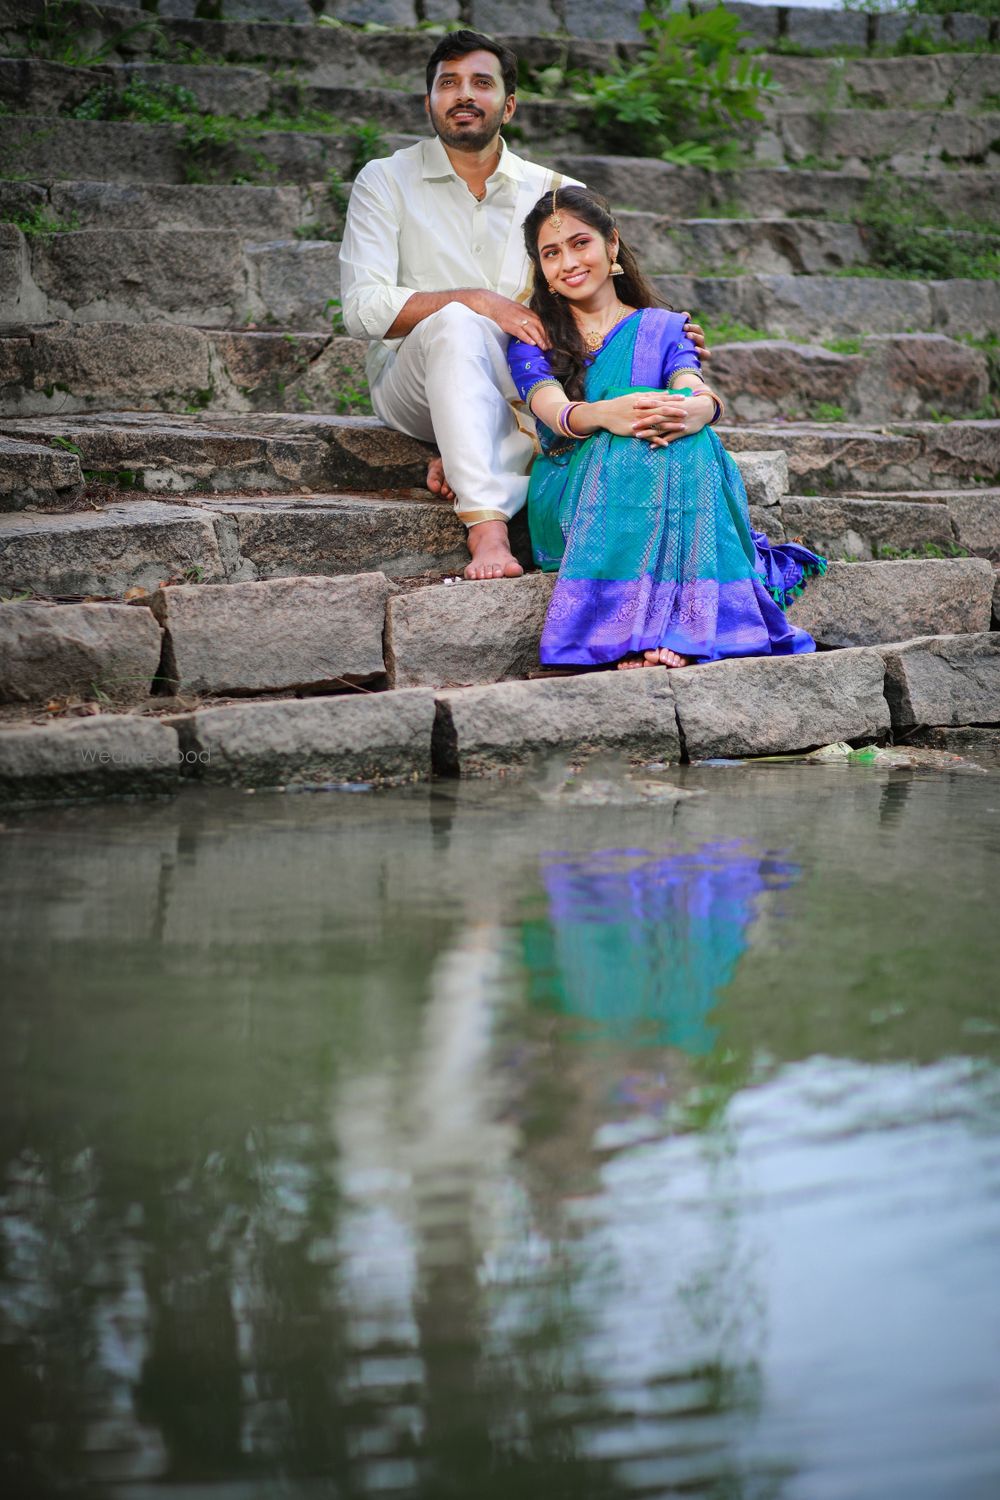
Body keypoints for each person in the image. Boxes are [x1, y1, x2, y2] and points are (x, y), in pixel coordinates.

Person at [338, 30, 707, 581]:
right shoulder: (386, 180)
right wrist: (477, 300)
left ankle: (471, 449)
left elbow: (588, 296)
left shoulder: (555, 190)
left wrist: (657, 335)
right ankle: (486, 530)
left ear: (507, 104)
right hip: (409, 382)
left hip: (530, 383)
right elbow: (362, 309)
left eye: (481, 83)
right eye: (448, 83)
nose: (463, 95)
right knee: (459, 322)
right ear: (430, 101)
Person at [506, 186, 826, 669]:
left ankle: (655, 630)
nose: (568, 261)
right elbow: (551, 409)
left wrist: (703, 408)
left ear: (611, 245)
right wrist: (604, 414)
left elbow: (690, 383)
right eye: (551, 253)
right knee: (633, 424)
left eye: (580, 243)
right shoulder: (533, 334)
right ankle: (656, 629)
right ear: (541, 269)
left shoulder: (664, 327)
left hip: (660, 467)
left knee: (685, 424)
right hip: (573, 484)